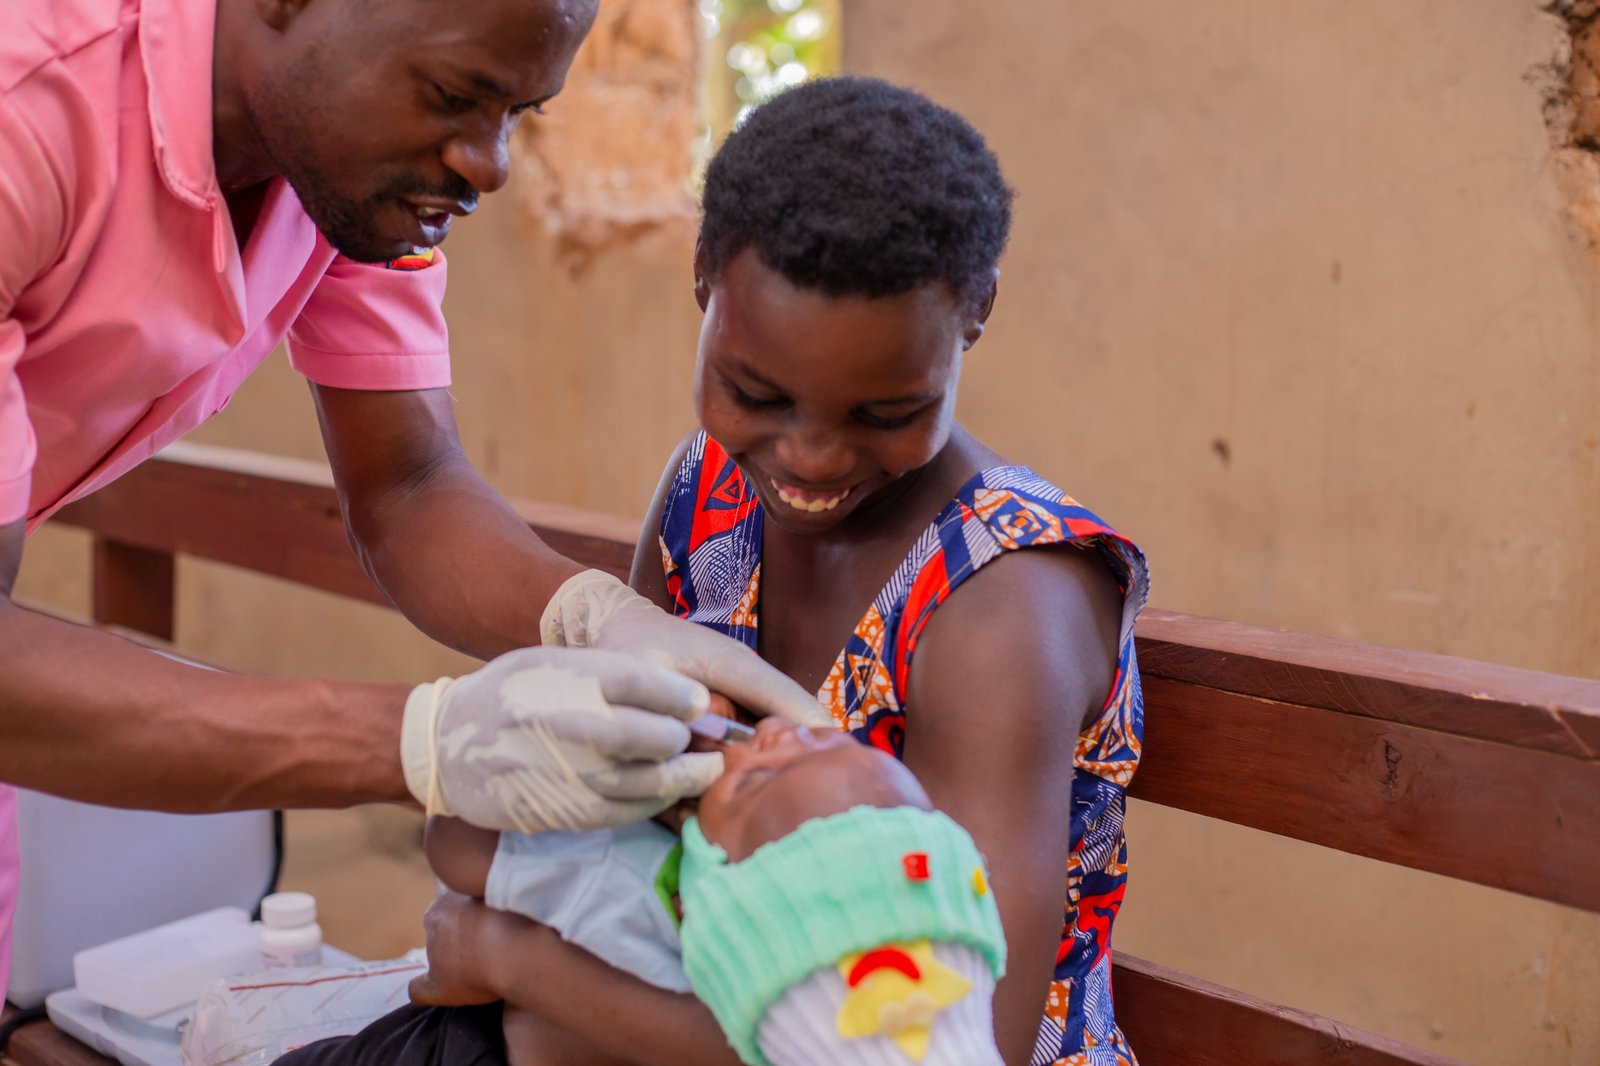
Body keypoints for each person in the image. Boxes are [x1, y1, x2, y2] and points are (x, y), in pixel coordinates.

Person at [0, 0, 823, 997]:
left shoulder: (349, 171)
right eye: (452, 96)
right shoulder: (29, 106)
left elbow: (408, 483)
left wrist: (591, 616)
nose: (491, 163)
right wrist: (422, 740)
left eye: (521, 113)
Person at [407, 77, 1150, 1066]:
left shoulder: (998, 604)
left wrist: (510, 957)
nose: (808, 458)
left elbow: (953, 1047)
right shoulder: (707, 489)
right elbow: (622, 817)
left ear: (975, 313)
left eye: (882, 414)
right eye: (755, 391)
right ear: (704, 275)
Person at [274, 716, 1011, 1066]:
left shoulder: (630, 885)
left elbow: (453, 847)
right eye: (835, 739)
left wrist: (564, 784)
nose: (778, 728)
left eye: (757, 779)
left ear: (709, 901)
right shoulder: (770, 1005)